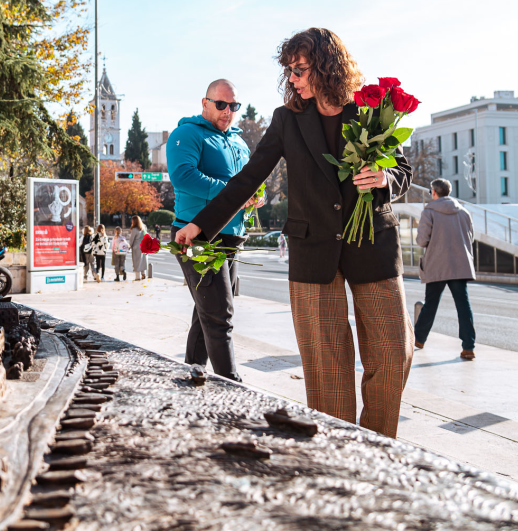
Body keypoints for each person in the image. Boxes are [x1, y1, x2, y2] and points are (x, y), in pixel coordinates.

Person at [176, 28, 414, 438]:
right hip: (312, 251)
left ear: (327, 65)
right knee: (326, 367)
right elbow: (249, 178)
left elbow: (402, 170)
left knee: (393, 354)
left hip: (373, 243)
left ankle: (377, 444)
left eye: (299, 69)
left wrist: (384, 179)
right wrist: (201, 225)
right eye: (289, 70)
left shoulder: (370, 108)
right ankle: (336, 450)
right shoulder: (287, 119)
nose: (292, 78)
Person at [166, 79, 261, 383]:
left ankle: (192, 374)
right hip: (197, 236)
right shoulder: (186, 134)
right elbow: (183, 177)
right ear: (204, 103)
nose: (227, 111)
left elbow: (247, 184)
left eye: (233, 105)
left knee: (206, 312)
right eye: (221, 104)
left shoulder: (239, 142)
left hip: (232, 236)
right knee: (220, 315)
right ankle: (231, 386)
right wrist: (234, 193)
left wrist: (253, 197)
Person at [414, 178, 477, 360]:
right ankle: (468, 347)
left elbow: (422, 241)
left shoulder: (429, 212)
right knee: (463, 305)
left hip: (437, 264)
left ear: (434, 192)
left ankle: (419, 340)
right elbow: (470, 238)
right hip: (460, 264)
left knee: (431, 304)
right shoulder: (463, 212)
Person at [129, 216, 149, 280]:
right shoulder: (144, 227)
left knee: (136, 261)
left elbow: (131, 239)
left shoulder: (134, 229)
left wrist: (129, 246)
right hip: (144, 246)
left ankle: (137, 276)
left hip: (137, 247)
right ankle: (143, 273)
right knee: (143, 260)